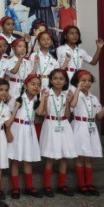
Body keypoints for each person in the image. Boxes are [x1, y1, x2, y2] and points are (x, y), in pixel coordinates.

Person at [8, 74, 47, 199]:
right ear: (25, 86)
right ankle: (15, 188)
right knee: (15, 160)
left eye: (38, 85)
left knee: (28, 160)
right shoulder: (17, 98)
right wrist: (8, 132)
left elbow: (40, 112)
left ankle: (29, 187)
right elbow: (9, 116)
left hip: (30, 129)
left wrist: (43, 98)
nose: (36, 87)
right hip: (17, 128)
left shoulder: (37, 101)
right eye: (33, 84)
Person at [39, 69, 76, 197]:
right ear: (50, 80)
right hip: (50, 124)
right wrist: (44, 98)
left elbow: (68, 115)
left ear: (65, 81)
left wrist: (68, 101)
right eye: (55, 78)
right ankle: (46, 185)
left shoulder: (67, 94)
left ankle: (61, 185)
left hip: (64, 124)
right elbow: (42, 113)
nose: (58, 81)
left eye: (61, 79)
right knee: (50, 157)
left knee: (64, 157)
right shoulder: (46, 93)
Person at [69, 70, 104, 196]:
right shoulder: (75, 94)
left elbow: (99, 116)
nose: (87, 83)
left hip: (91, 127)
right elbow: (72, 105)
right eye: (83, 81)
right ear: (77, 82)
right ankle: (81, 185)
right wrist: (78, 89)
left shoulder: (94, 98)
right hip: (79, 126)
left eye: (89, 81)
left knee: (89, 158)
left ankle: (89, 183)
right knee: (80, 157)